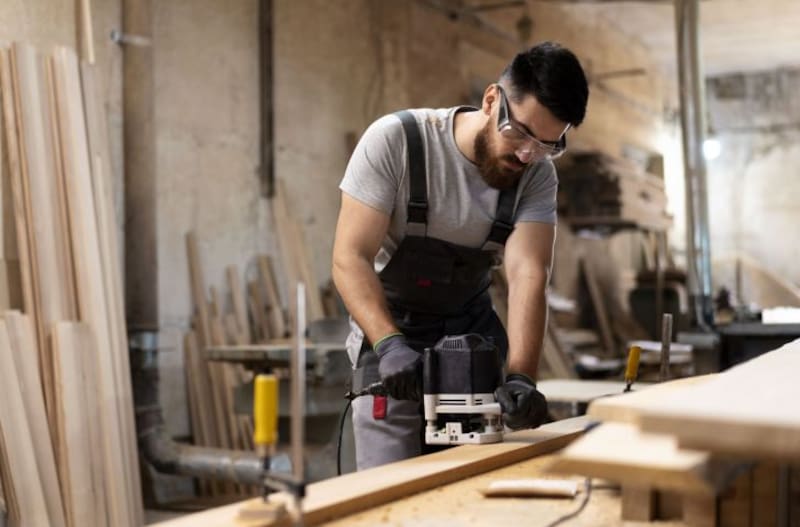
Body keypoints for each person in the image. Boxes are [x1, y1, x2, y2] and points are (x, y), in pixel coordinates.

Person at [332, 41, 589, 470]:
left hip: (470, 344)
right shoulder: (398, 142)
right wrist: (389, 343)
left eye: (547, 145)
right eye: (521, 133)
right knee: (387, 487)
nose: (527, 155)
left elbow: (529, 274)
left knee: (471, 483)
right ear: (492, 100)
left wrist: (522, 376)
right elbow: (350, 257)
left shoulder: (537, 175)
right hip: (391, 338)